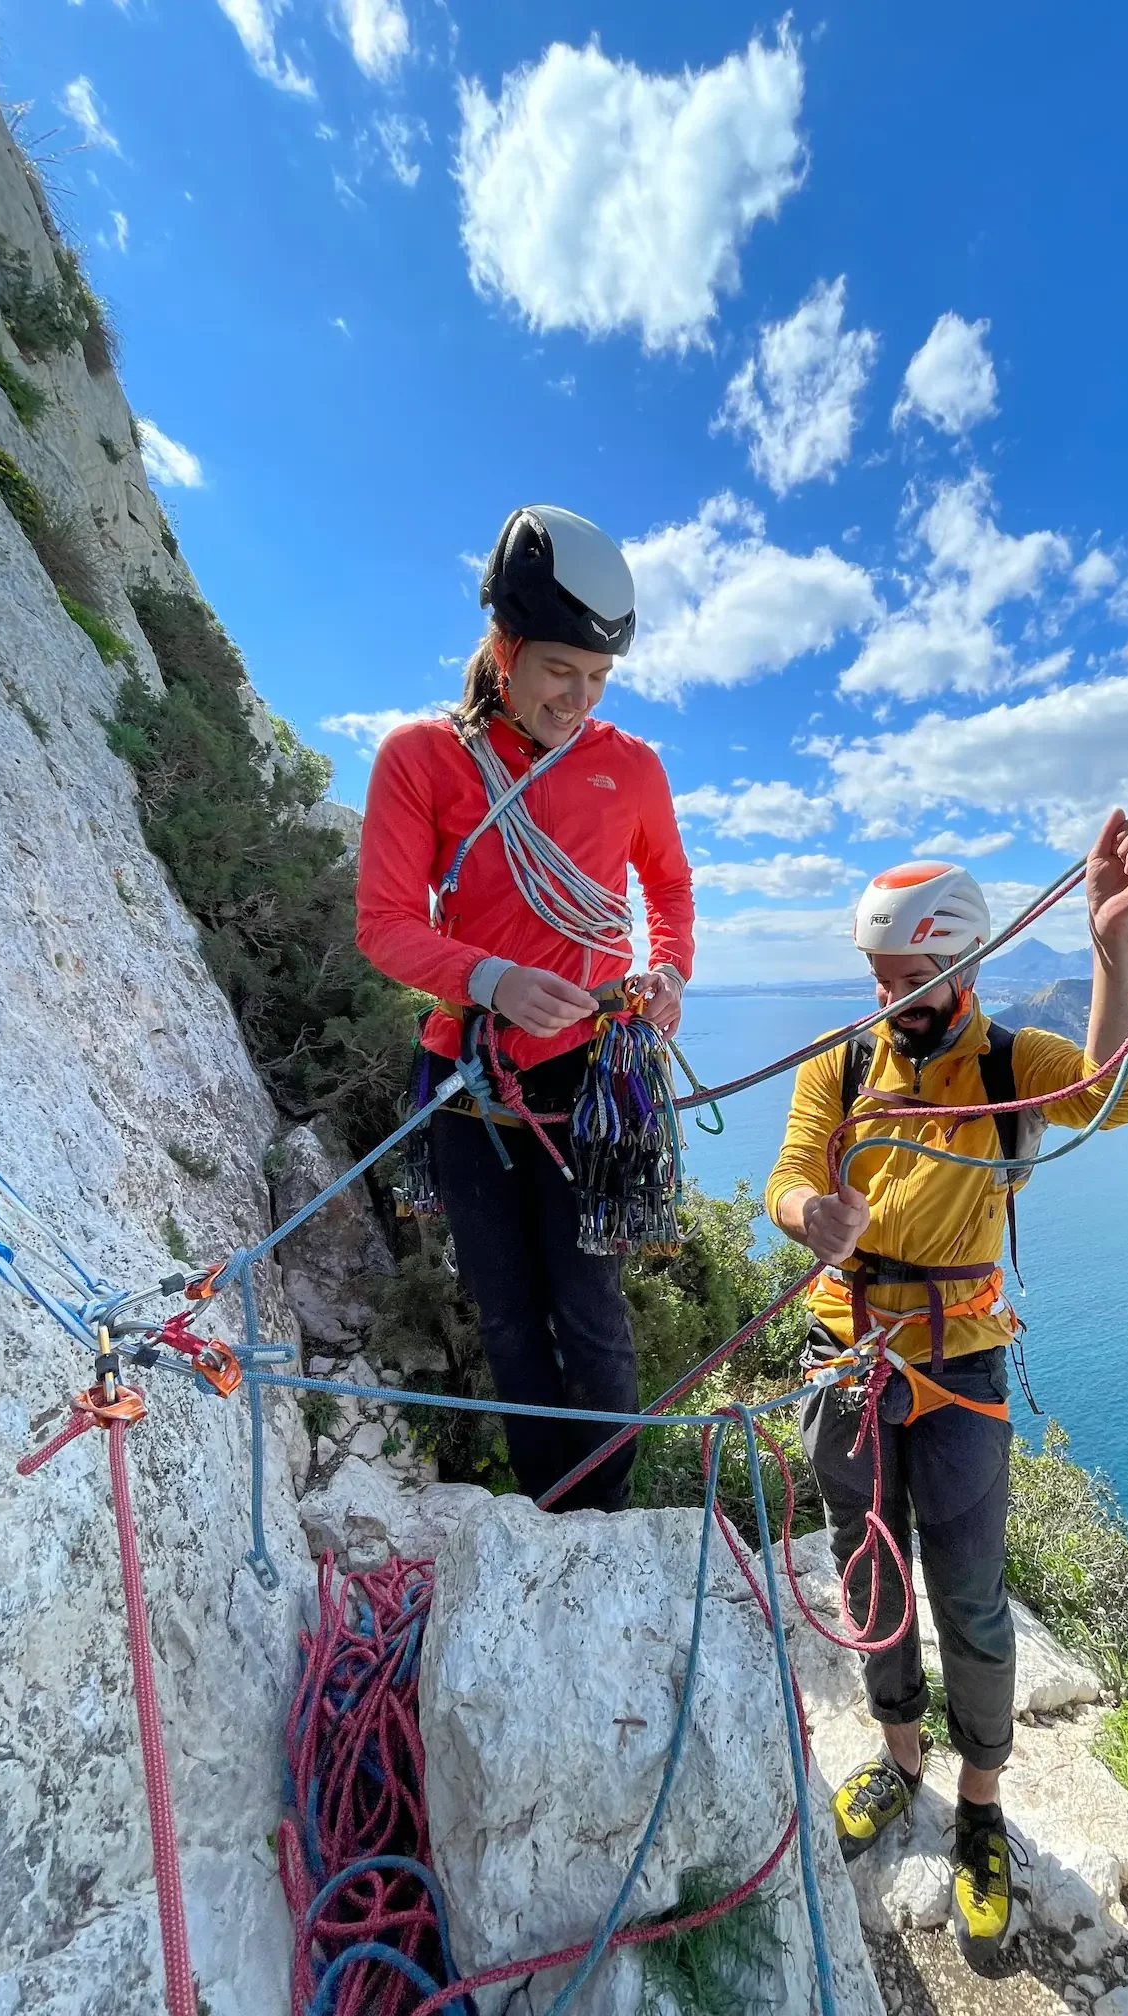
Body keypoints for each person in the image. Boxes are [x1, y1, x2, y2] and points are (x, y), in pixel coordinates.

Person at [765, 811, 1128, 1963]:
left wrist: (1113, 945)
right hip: (847, 1354)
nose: (897, 1000)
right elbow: (790, 1174)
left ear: (966, 966)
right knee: (867, 1565)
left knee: (972, 1593)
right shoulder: (843, 1064)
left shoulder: (1006, 1064)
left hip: (957, 1367)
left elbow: (1110, 1091)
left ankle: (982, 1806)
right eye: (883, 978)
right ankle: (902, 1762)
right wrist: (813, 1216)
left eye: (917, 979)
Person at [356, 504, 695, 1512]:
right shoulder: (422, 758)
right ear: (505, 648)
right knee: (505, 1310)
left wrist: (668, 970)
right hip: (470, 1077)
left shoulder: (629, 766)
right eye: (560, 671)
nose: (579, 699)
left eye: (597, 681)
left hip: (593, 1068)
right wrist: (492, 979)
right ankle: (550, 1509)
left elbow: (668, 892)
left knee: (589, 1305)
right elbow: (383, 924)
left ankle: (608, 1511)